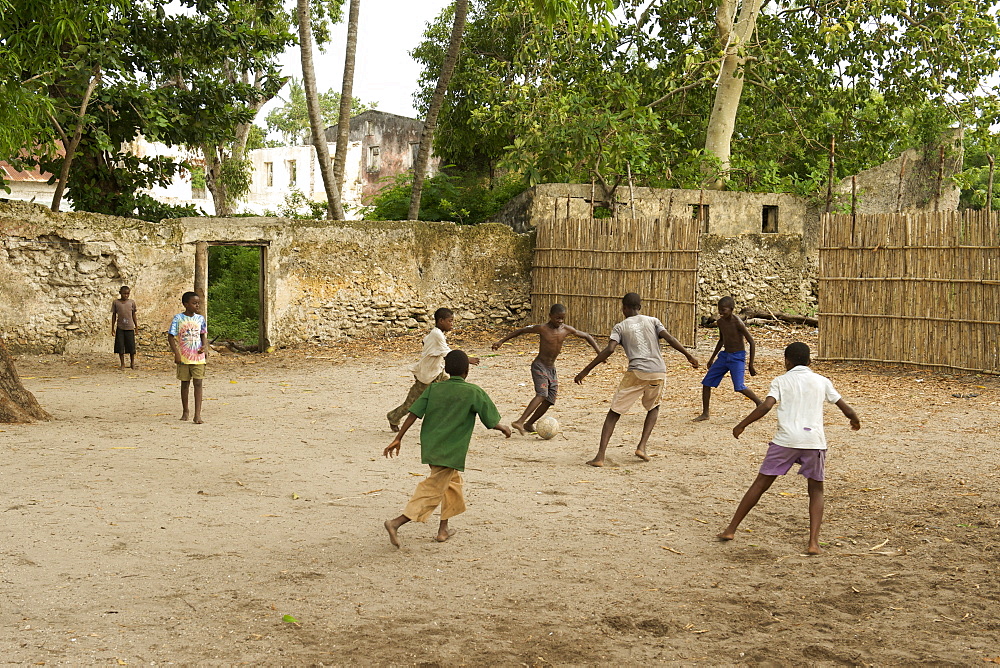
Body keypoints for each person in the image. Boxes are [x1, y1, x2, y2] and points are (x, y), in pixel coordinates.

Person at [718, 342, 860, 555]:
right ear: (810, 361)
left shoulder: (781, 381)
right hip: (813, 442)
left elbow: (766, 406)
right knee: (816, 490)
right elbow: (844, 406)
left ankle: (731, 529)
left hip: (785, 441)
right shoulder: (822, 381)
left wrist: (742, 424)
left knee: (760, 485)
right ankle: (813, 543)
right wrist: (854, 419)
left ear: (786, 362)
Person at [383, 350, 511, 547]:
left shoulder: (434, 389)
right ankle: (396, 523)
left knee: (452, 486)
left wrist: (398, 437)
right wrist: (504, 428)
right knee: (433, 489)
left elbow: (413, 413)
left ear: (447, 370)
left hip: (432, 446)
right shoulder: (474, 392)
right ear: (467, 371)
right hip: (452, 451)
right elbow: (491, 420)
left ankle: (443, 530)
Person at [574, 292, 699, 466]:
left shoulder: (620, 327)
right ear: (639, 307)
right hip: (658, 372)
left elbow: (610, 349)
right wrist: (689, 356)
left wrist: (586, 370)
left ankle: (600, 456)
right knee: (654, 407)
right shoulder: (653, 321)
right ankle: (642, 446)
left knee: (614, 412)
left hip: (637, 372)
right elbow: (669, 338)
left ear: (623, 308)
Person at [491, 303, 600, 435]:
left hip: (551, 368)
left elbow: (587, 336)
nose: (559, 321)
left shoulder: (566, 329)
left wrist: (599, 352)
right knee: (542, 394)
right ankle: (519, 421)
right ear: (550, 316)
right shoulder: (542, 328)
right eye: (557, 318)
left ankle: (529, 423)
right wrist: (501, 341)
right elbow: (521, 331)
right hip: (539, 366)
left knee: (550, 399)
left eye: (562, 318)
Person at [386, 307, 479, 432]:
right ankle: (393, 417)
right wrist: (467, 359)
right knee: (412, 403)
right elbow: (448, 353)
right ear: (441, 321)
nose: (452, 324)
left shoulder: (436, 333)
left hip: (437, 372)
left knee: (454, 389)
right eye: (450, 321)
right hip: (427, 375)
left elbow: (424, 341)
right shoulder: (437, 335)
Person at [693, 296, 761, 421]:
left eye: (723, 310)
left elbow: (751, 342)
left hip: (738, 356)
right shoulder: (720, 322)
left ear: (731, 309)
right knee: (706, 382)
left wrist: (751, 364)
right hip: (724, 356)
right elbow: (721, 340)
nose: (720, 313)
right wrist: (712, 358)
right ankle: (705, 413)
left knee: (739, 386)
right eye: (719, 310)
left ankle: (759, 403)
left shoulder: (738, 323)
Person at [167, 291, 208, 424]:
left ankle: (197, 414)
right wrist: (176, 353)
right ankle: (185, 410)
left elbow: (203, 334)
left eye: (198, 303)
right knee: (185, 383)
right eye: (194, 303)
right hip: (184, 357)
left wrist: (204, 347)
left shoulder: (200, 319)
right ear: (185, 304)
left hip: (198, 356)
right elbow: (171, 336)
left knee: (198, 383)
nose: (197, 305)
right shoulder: (178, 319)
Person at [111, 286, 139, 370]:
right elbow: (114, 315)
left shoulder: (131, 303)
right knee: (120, 346)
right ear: (120, 293)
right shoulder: (116, 302)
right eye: (124, 293)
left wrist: (136, 327)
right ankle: (122, 364)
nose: (126, 295)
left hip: (130, 327)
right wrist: (112, 328)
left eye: (128, 294)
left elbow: (134, 315)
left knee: (131, 347)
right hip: (120, 327)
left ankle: (132, 363)